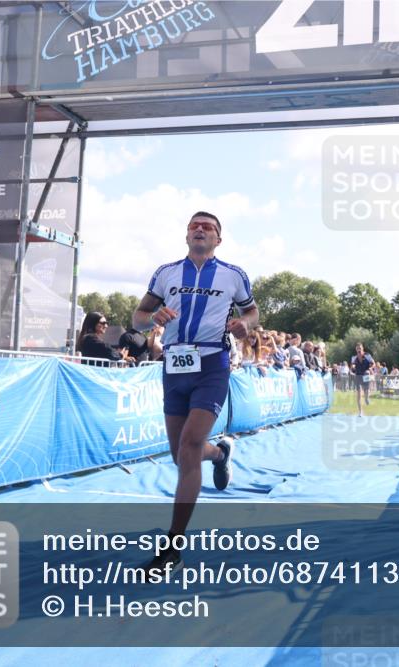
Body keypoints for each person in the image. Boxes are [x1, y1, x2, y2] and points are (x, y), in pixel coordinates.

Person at [131, 211, 258, 574]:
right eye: (194, 226)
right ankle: (219, 454)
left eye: (208, 227)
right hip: (174, 366)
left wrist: (243, 325)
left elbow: (252, 313)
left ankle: (172, 547)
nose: (200, 229)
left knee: (188, 446)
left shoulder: (234, 275)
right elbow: (138, 316)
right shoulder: (166, 272)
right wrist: (151, 319)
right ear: (186, 235)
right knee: (180, 455)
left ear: (218, 239)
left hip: (212, 366)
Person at [351, 342, 374, 417]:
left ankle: (367, 398)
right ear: (356, 350)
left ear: (362, 349)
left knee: (366, 390)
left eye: (360, 348)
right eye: (357, 349)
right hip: (358, 375)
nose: (359, 350)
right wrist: (353, 367)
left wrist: (370, 368)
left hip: (365, 374)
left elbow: (373, 363)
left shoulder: (367, 356)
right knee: (359, 394)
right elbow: (352, 366)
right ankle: (360, 412)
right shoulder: (354, 357)